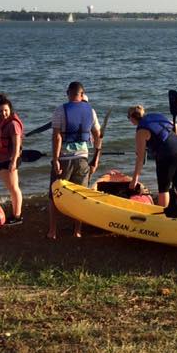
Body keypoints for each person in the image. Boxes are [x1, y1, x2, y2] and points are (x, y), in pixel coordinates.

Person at [48, 81, 101, 239]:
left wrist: (55, 159)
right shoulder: (91, 111)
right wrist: (96, 158)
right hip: (83, 159)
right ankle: (77, 231)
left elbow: (57, 137)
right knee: (80, 196)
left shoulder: (60, 110)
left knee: (54, 194)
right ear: (82, 94)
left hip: (64, 158)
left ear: (68, 93)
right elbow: (98, 136)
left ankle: (53, 231)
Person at [127, 104, 177, 213]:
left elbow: (140, 158)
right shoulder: (155, 116)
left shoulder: (141, 131)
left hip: (167, 155)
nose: (129, 121)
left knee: (163, 189)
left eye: (128, 118)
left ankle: (161, 218)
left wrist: (134, 180)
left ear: (132, 117)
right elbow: (176, 125)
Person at [0, 93, 24, 225]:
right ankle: (15, 212)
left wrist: (13, 161)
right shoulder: (1, 122)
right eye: (0, 111)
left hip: (10, 160)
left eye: (6, 110)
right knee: (11, 188)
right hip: (2, 159)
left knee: (14, 188)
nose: (3, 113)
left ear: (10, 109)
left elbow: (16, 145)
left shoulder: (12, 125)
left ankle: (17, 216)